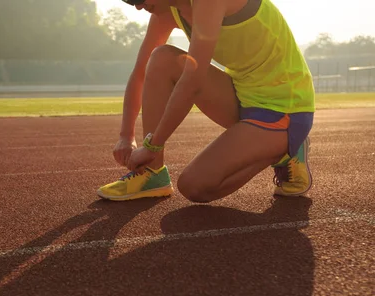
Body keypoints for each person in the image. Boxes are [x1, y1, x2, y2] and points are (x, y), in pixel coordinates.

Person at [96, 0, 315, 202]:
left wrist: (151, 146)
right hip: (243, 95)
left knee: (194, 186)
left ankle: (285, 152)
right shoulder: (168, 10)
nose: (137, 6)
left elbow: (192, 82)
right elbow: (141, 73)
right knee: (161, 59)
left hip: (284, 107)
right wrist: (126, 136)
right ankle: (151, 174)